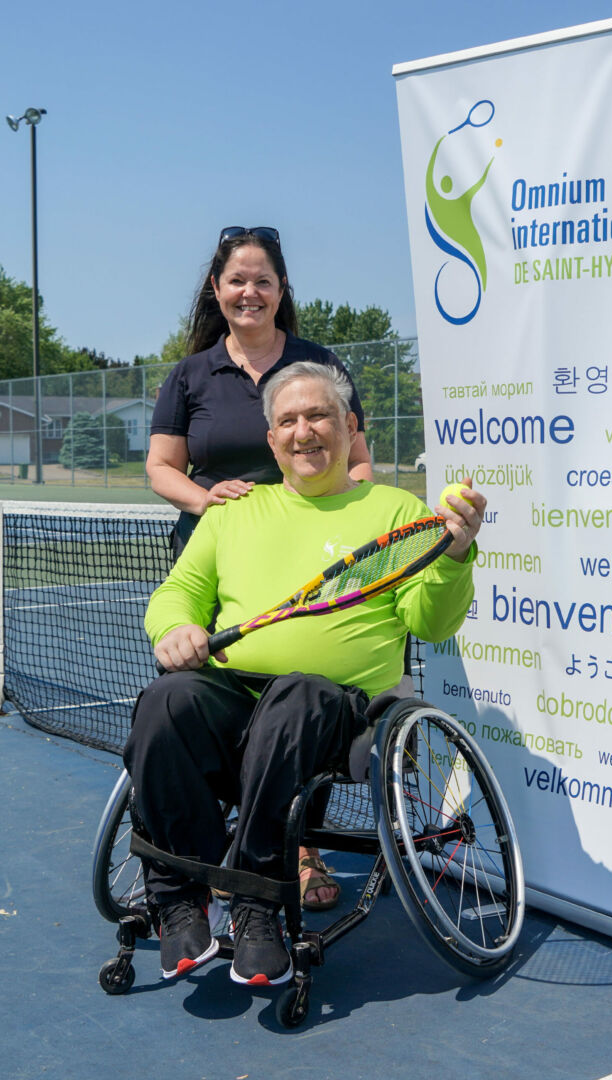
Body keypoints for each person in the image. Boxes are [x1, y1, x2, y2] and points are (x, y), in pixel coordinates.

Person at [124, 363, 485, 986]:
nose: (303, 432)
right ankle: (180, 896)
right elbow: (179, 591)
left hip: (339, 710)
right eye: (287, 421)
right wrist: (175, 629)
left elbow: (431, 623)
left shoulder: (397, 511)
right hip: (237, 696)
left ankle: (259, 903)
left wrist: (454, 555)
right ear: (272, 440)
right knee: (165, 700)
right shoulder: (233, 511)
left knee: (297, 691)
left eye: (318, 416)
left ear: (349, 427)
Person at [146, 226, 373, 909]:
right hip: (219, 559)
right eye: (237, 280)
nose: (250, 291)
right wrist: (207, 500)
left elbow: (357, 456)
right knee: (203, 701)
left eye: (263, 280)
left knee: (305, 693)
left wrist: (352, 514)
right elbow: (161, 466)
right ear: (217, 291)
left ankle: (298, 851)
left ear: (281, 292)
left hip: (310, 557)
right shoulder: (190, 375)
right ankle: (202, 850)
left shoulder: (317, 364)